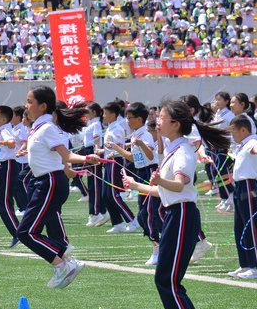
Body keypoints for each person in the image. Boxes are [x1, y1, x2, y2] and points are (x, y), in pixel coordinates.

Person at [123, 99, 228, 309]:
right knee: (169, 278)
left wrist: (160, 180)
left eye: (161, 116)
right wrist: (138, 186)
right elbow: (165, 190)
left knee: (166, 279)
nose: (156, 120)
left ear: (175, 123)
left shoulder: (182, 152)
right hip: (174, 214)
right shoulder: (172, 148)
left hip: (181, 215)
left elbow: (180, 185)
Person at [17, 86, 98, 288]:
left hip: (50, 183)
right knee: (29, 231)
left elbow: (67, 156)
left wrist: (87, 158)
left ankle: (62, 264)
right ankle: (64, 257)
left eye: (30, 101)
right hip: (42, 182)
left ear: (43, 106)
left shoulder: (47, 128)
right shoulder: (38, 127)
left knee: (26, 233)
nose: (26, 106)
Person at [108, 102, 160, 264]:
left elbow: (150, 157)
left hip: (149, 173)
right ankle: (158, 246)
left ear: (139, 119)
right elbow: (132, 158)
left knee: (148, 214)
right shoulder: (136, 135)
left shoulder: (145, 135)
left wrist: (142, 144)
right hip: (139, 173)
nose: (127, 121)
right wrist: (117, 149)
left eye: (129, 118)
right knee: (143, 215)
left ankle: (158, 250)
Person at [228, 114, 257, 279]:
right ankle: (245, 264)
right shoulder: (243, 144)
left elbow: (256, 150)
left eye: (234, 132)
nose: (233, 135)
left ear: (243, 130)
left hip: (248, 187)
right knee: (239, 228)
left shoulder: (252, 142)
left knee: (249, 227)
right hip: (240, 187)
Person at [99, 101, 137, 232]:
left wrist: (110, 154)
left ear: (113, 114)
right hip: (109, 162)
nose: (103, 116)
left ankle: (132, 220)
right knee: (106, 194)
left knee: (113, 194)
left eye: (105, 113)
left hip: (115, 162)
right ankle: (118, 223)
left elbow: (118, 147)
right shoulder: (111, 127)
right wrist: (102, 153)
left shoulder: (117, 129)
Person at [0, 105, 21, 248]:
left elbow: (12, 143)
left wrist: (6, 143)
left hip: (8, 165)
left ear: (3, 119)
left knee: (3, 202)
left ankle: (18, 233)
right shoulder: (0, 130)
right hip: (4, 166)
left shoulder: (4, 130)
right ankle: (18, 232)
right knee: (2, 201)